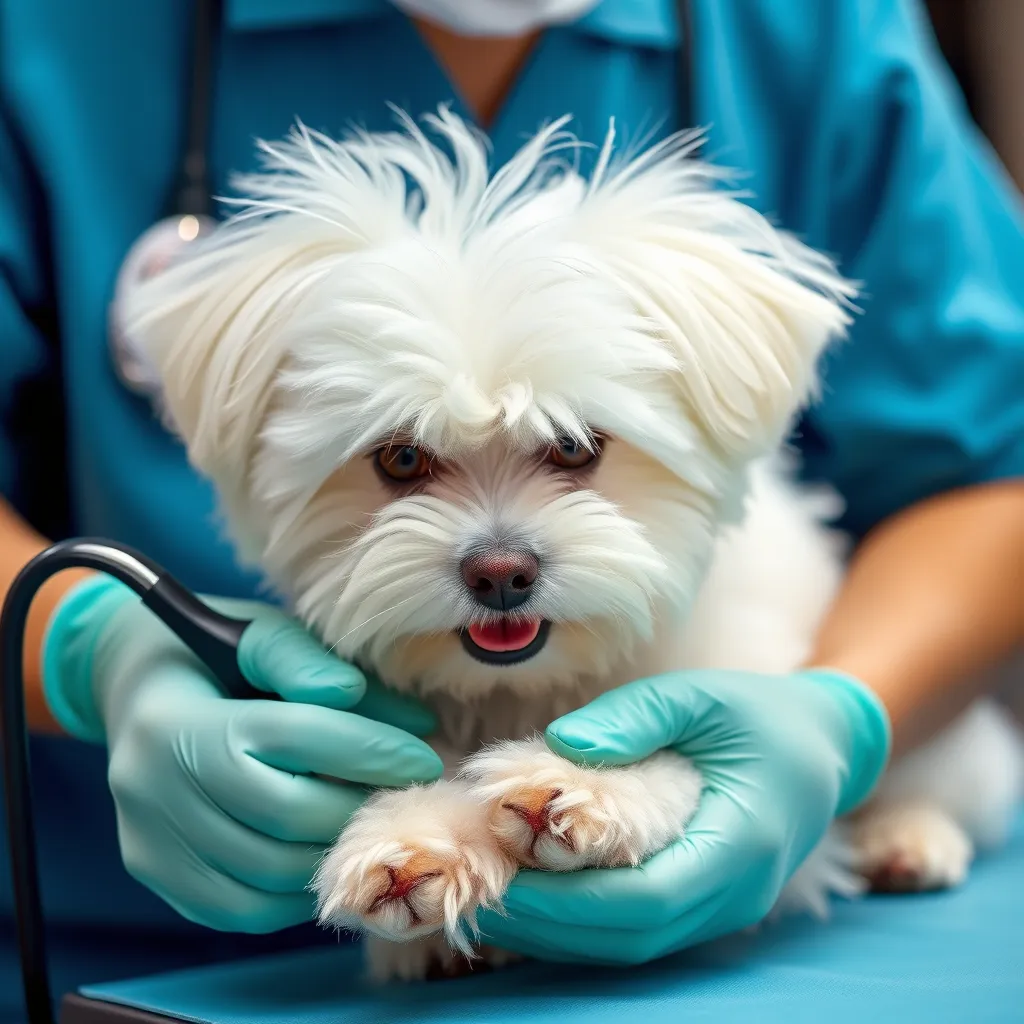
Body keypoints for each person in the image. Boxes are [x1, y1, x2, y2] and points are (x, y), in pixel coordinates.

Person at [1, 0, 1023, 1011]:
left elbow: (997, 460)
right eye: (403, 461)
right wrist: (88, 651)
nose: (499, 555)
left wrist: (839, 726)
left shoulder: (809, 28)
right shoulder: (58, 34)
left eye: (573, 452)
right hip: (113, 956)